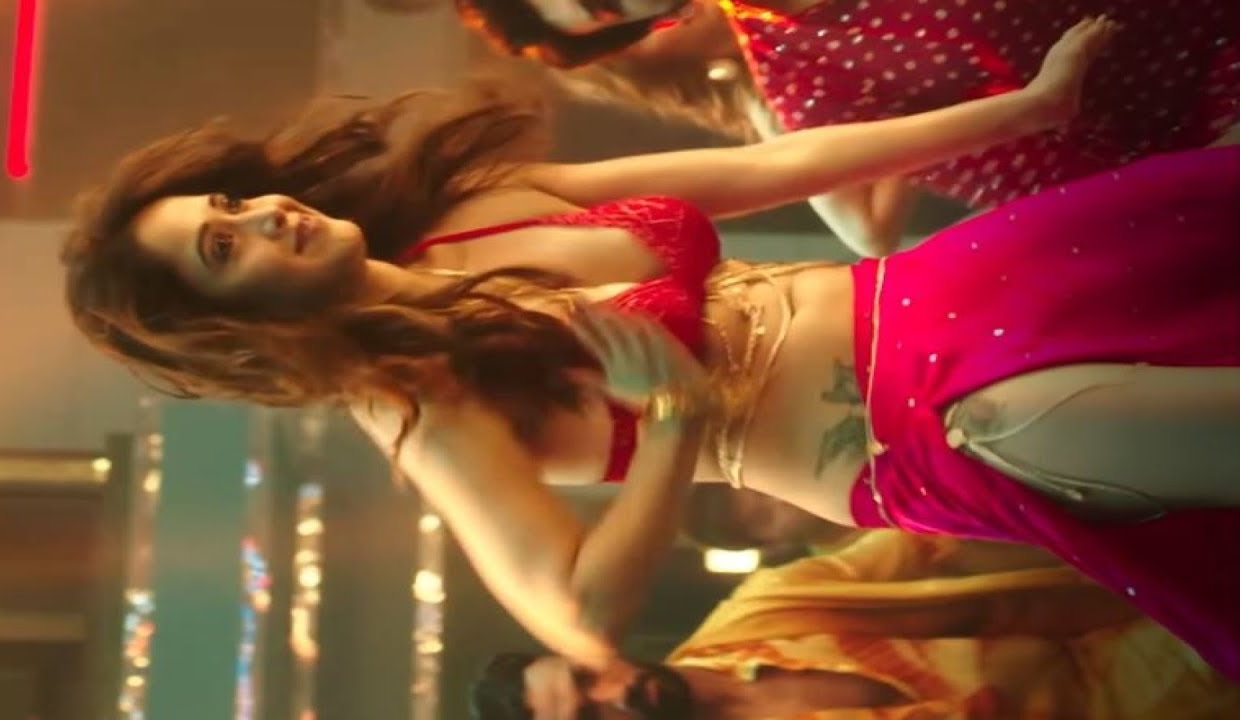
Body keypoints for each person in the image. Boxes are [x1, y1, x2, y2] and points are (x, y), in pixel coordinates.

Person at [61, 19, 1240, 679]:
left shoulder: (472, 205)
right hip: (926, 424)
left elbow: (770, 166)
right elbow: (576, 617)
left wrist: (1022, 110)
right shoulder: (419, 402)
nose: (261, 217)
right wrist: (671, 423)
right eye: (223, 249)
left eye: (230, 204)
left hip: (950, 280)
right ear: (235, 327)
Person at [457, 0, 1240, 255]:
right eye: (601, 4)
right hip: (1205, 129)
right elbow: (1042, 174)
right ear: (642, 24)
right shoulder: (802, 78)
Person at [471, 531, 1240, 719]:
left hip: (1145, 629)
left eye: (584, 678)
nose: (612, 697)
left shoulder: (760, 612)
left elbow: (918, 539)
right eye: (587, 719)